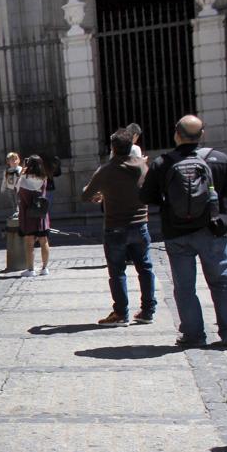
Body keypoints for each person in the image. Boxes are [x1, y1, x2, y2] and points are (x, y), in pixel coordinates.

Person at [139, 114, 227, 346]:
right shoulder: (219, 159)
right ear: (202, 135)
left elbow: (145, 196)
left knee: (184, 287)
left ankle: (193, 335)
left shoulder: (162, 163)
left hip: (177, 232)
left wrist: (171, 201)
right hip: (213, 229)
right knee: (222, 282)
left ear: (176, 134)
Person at [81, 129, 156, 326]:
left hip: (115, 227)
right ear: (131, 146)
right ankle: (148, 310)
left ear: (113, 148)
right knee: (145, 268)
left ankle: (121, 313)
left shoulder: (106, 170)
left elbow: (85, 194)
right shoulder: (142, 166)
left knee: (117, 272)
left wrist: (103, 194)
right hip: (140, 225)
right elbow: (148, 190)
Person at [17, 154, 52, 277]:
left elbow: (17, 191)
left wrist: (22, 172)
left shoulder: (23, 179)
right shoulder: (44, 178)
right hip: (41, 213)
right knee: (44, 241)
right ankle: (45, 268)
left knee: (29, 242)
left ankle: (30, 269)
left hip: (28, 214)